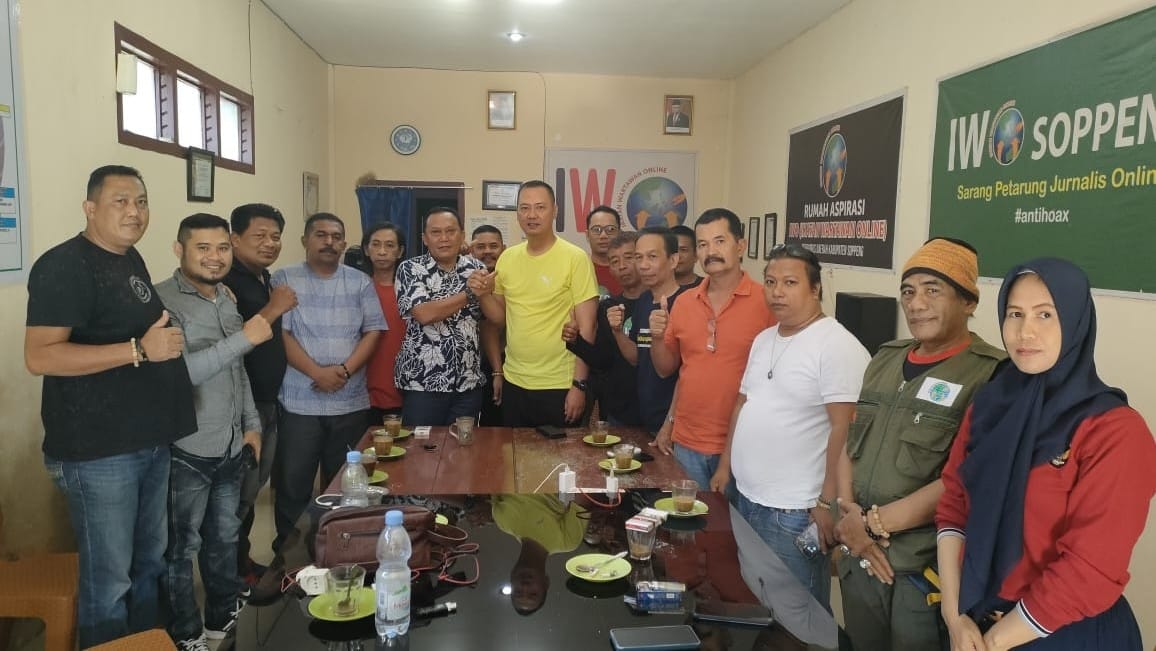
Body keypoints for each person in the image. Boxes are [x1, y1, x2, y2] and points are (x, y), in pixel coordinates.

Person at [936, 258, 1155, 651]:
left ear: (1075, 321)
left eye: (1045, 314)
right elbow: (953, 507)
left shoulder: (1114, 430)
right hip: (973, 621)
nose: (1026, 331)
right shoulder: (988, 407)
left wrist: (995, 641)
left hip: (1064, 633)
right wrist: (954, 617)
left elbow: (1091, 568)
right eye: (1015, 314)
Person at [24, 165, 195, 648]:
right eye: (120, 201)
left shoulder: (127, 257)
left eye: (140, 201)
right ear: (90, 208)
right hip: (99, 454)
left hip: (147, 441)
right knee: (109, 584)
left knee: (147, 568)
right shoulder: (64, 266)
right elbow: (40, 357)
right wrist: (138, 350)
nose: (134, 211)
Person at [834, 237, 1005, 650]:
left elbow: (967, 479)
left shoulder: (991, 374)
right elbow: (850, 445)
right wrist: (848, 515)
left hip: (921, 572)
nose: (916, 304)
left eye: (933, 290)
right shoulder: (885, 358)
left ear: (968, 301)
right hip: (861, 557)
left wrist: (872, 525)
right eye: (908, 292)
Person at [720, 244, 870, 609]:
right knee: (757, 602)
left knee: (797, 616)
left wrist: (826, 502)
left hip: (793, 511)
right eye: (771, 282)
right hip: (747, 498)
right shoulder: (764, 339)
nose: (777, 292)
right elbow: (743, 404)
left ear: (815, 289)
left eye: (790, 282)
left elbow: (845, 431)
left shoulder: (836, 345)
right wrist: (725, 466)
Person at [155, 214, 271, 650]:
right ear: (179, 249)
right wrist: (247, 337)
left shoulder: (225, 297)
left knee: (224, 537)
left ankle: (222, 616)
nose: (214, 257)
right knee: (180, 549)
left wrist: (251, 424)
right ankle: (185, 633)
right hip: (187, 446)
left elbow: (236, 370)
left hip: (229, 443)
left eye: (222, 248)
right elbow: (181, 374)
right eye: (202, 248)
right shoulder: (163, 303)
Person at [270, 213, 386, 550]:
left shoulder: (360, 282)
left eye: (336, 236)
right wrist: (316, 372)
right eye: (321, 235)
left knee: (346, 485)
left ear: (344, 243)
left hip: (350, 402)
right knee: (293, 484)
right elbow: (281, 334)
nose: (329, 242)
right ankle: (290, 557)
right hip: (300, 404)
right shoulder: (284, 278)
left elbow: (373, 331)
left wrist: (345, 371)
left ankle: (339, 548)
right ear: (305, 240)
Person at [649, 208, 775, 489]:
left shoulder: (766, 302)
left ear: (740, 246)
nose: (711, 251)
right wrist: (657, 337)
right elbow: (669, 369)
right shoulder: (685, 302)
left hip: (744, 445)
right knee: (689, 517)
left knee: (735, 520)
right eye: (703, 244)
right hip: (687, 443)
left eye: (720, 241)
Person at [471, 180, 599, 427]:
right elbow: (499, 318)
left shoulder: (575, 258)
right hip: (515, 381)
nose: (532, 215)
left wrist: (579, 385)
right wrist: (484, 294)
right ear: (517, 213)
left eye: (540, 207)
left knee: (559, 453)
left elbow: (588, 327)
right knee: (515, 451)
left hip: (560, 384)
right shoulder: (508, 258)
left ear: (555, 211)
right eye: (525, 208)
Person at [223, 202, 297, 587]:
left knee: (250, 494)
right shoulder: (226, 282)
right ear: (234, 239)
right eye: (260, 236)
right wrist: (274, 307)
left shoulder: (261, 277)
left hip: (266, 401)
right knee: (236, 496)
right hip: (240, 409)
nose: (270, 243)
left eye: (275, 236)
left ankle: (242, 562)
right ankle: (232, 577)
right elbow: (233, 343)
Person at [394, 207, 486, 425]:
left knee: (464, 445)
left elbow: (494, 319)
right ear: (425, 238)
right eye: (436, 232)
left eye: (450, 231)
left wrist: (487, 290)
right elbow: (424, 314)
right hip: (422, 383)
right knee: (421, 445)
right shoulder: (410, 269)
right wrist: (470, 294)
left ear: (462, 235)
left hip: (468, 383)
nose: (444, 238)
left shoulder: (477, 268)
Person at [608, 227, 688, 435]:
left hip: (675, 423)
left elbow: (676, 370)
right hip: (646, 418)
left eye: (652, 257)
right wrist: (617, 331)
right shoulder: (644, 300)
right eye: (638, 257)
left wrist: (670, 422)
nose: (643, 265)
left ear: (673, 260)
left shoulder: (687, 303)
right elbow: (637, 357)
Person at [563, 231, 643, 427]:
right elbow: (603, 361)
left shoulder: (659, 303)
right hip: (617, 411)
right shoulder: (608, 307)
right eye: (614, 261)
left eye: (629, 257)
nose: (622, 266)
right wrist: (575, 340)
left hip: (654, 408)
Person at [362, 222, 406, 424]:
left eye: (389, 245)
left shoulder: (413, 291)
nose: (382, 252)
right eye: (376, 244)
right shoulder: (359, 288)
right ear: (366, 249)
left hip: (406, 385)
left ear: (400, 251)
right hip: (365, 387)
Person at [470, 224, 505, 426]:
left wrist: (497, 371)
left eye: (493, 246)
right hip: (467, 365)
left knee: (497, 424)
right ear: (471, 250)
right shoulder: (462, 276)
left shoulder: (510, 277)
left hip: (503, 362)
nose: (487, 251)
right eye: (480, 246)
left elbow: (491, 325)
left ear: (503, 248)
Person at [584, 205, 623, 297]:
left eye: (610, 229)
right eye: (597, 230)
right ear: (587, 235)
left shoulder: (631, 271)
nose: (603, 236)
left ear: (619, 233)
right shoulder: (579, 269)